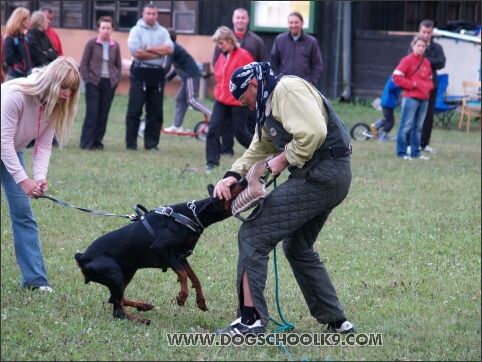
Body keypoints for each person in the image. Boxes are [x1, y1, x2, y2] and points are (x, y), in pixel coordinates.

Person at [212, 62, 356, 335]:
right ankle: (337, 321)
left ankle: (250, 320)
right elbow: (260, 146)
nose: (247, 107)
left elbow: (314, 132)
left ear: (253, 85)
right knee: (298, 247)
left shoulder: (286, 90)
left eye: (245, 100)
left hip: (321, 175)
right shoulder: (269, 101)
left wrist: (280, 161)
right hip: (328, 175)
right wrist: (233, 174)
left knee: (252, 235)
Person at [1, 56, 81, 292]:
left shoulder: (55, 105)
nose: (67, 94)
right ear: (52, 81)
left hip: (12, 152)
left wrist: (38, 177)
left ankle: (35, 281)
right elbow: (3, 141)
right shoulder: (16, 94)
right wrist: (23, 180)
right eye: (64, 87)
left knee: (23, 214)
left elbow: (43, 145)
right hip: (7, 146)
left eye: (72, 89)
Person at [212, 7, 268, 157]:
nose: (240, 20)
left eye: (243, 18)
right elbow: (216, 64)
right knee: (224, 126)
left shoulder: (254, 41)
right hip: (225, 95)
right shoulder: (222, 42)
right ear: (233, 19)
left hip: (247, 93)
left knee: (244, 129)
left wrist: (257, 88)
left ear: (247, 20)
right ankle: (225, 151)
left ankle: (261, 151)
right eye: (237, 18)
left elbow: (261, 64)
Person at [125, 3, 174, 151]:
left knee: (155, 112)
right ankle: (132, 144)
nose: (151, 16)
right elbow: (136, 52)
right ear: (143, 14)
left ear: (157, 15)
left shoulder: (163, 31)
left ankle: (152, 144)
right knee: (135, 110)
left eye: (154, 14)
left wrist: (151, 49)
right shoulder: (136, 30)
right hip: (140, 72)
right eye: (149, 14)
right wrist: (160, 52)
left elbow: (170, 49)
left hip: (157, 73)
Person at [205, 26, 254, 170]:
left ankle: (264, 153)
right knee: (213, 129)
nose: (219, 47)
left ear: (229, 40)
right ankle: (212, 162)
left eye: (221, 43)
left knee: (240, 133)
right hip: (221, 99)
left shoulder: (244, 55)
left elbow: (252, 76)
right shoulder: (222, 56)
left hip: (238, 101)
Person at [79, 16, 122, 150]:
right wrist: (87, 79)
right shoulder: (91, 43)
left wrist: (116, 80)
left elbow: (118, 65)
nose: (105, 30)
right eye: (103, 28)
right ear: (98, 28)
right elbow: (84, 63)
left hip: (109, 83)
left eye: (108, 28)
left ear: (112, 29)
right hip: (93, 82)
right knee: (92, 113)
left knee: (103, 114)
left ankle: (97, 142)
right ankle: (86, 143)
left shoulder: (115, 46)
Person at [162, 28, 212, 133]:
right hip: (187, 76)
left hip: (191, 75)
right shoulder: (174, 48)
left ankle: (214, 116)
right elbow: (177, 67)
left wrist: (158, 76)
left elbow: (167, 66)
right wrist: (168, 78)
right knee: (180, 99)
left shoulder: (172, 47)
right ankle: (177, 126)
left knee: (191, 100)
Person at [408, 19, 446, 153]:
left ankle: (424, 143)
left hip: (431, 87)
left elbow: (441, 63)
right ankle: (409, 143)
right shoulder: (413, 45)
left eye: (429, 32)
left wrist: (425, 60)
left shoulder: (437, 48)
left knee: (428, 117)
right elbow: (410, 60)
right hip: (415, 86)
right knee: (412, 116)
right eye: (424, 32)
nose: (426, 35)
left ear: (432, 32)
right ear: (419, 31)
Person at [393, 35, 433, 160]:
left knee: (418, 127)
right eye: (418, 46)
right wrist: (412, 85)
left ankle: (416, 151)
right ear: (413, 46)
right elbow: (396, 77)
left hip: (424, 98)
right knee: (405, 126)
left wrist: (427, 88)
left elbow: (430, 80)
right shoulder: (407, 60)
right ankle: (402, 152)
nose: (421, 48)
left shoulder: (427, 63)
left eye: (423, 46)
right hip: (411, 97)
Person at [269, 11, 323, 87]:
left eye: (296, 22)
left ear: (302, 23)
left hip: (303, 86)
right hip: (283, 85)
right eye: (291, 23)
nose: (293, 25)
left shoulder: (311, 42)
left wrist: (311, 82)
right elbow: (273, 63)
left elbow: (317, 65)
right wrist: (277, 80)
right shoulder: (280, 40)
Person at [3, 7, 33, 81]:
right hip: (15, 78)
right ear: (21, 20)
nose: (30, 22)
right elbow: (9, 58)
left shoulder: (24, 38)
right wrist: (22, 69)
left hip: (25, 77)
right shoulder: (10, 38)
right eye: (28, 19)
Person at [370, 75, 402, 141]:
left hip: (388, 103)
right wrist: (402, 85)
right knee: (390, 122)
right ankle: (382, 136)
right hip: (388, 103)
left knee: (388, 120)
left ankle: (376, 125)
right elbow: (392, 87)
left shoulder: (394, 77)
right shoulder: (394, 78)